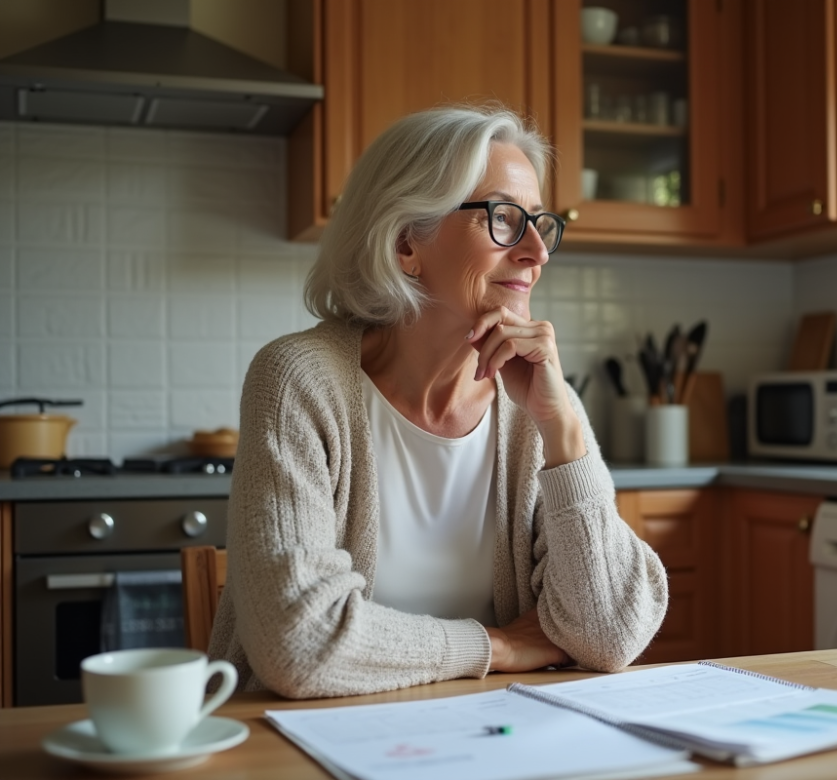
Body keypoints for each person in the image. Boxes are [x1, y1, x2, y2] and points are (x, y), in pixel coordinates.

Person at [207, 105, 668, 698]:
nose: (537, 252)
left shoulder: (537, 406)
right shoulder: (300, 380)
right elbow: (299, 645)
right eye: (504, 218)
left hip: (485, 741)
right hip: (301, 745)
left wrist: (565, 434)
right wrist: (498, 645)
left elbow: (609, 637)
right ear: (406, 243)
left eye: (539, 223)